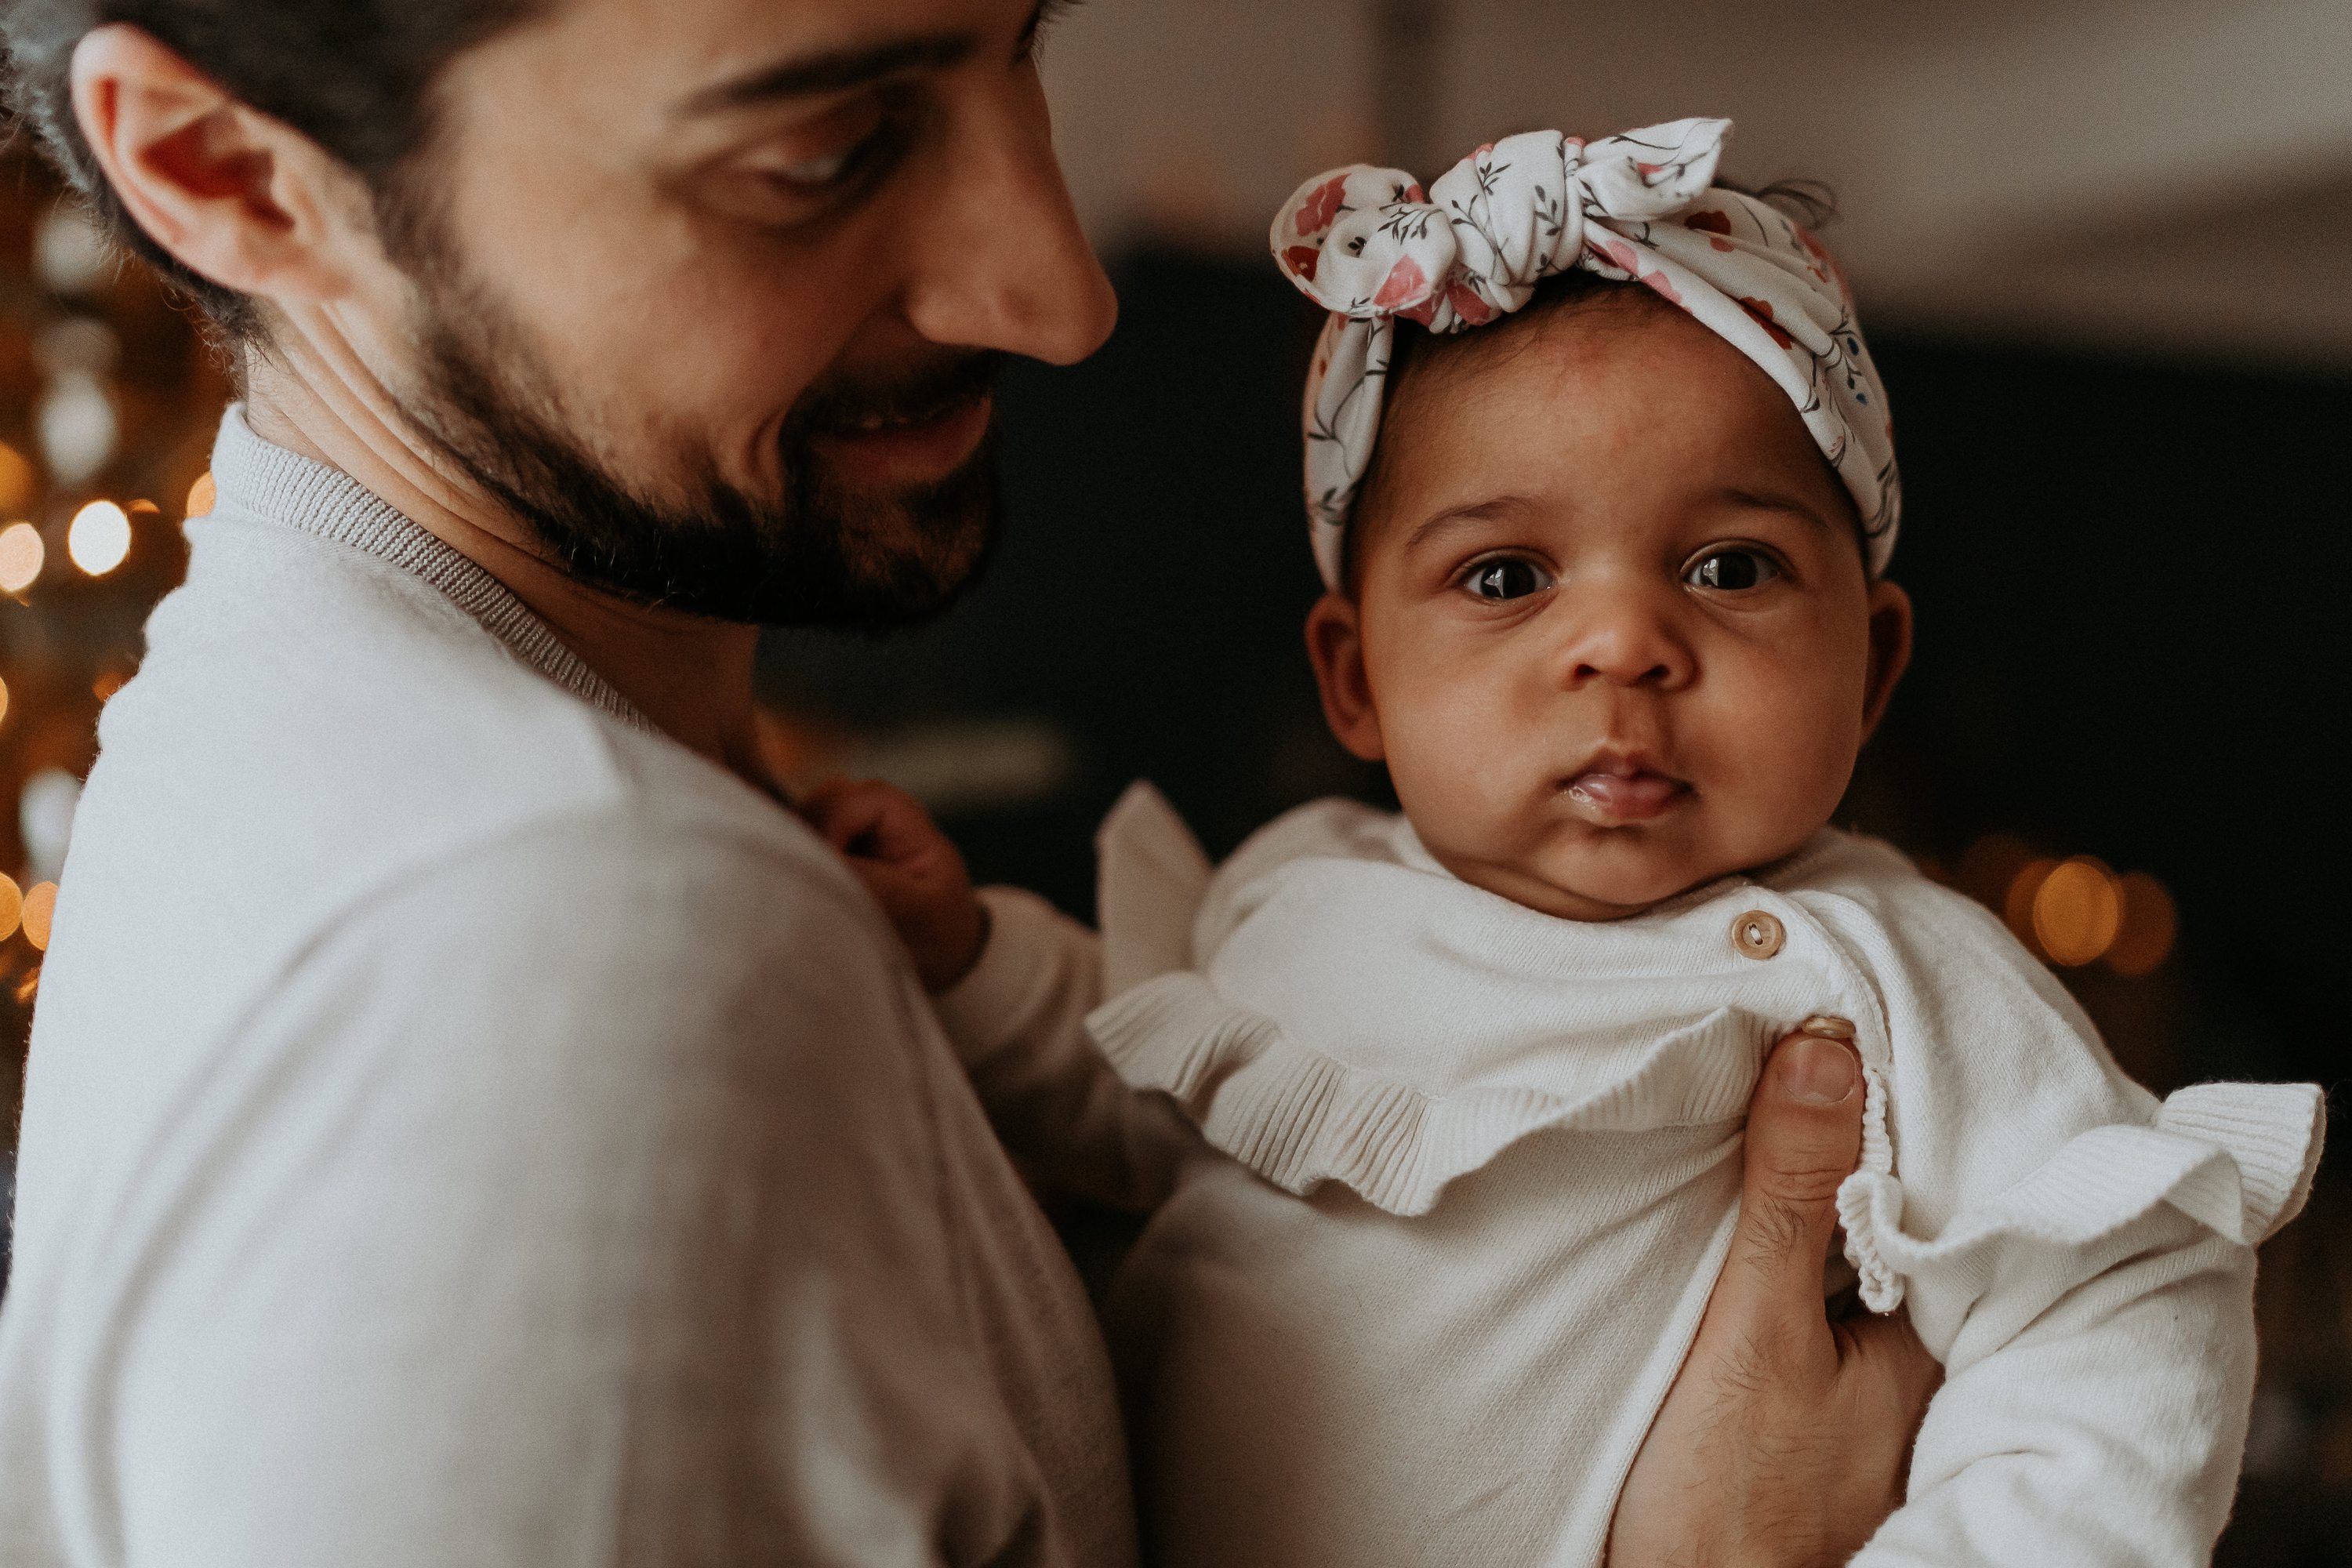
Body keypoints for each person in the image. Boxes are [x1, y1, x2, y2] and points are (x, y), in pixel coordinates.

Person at [0, 7, 1933, 1565]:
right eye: (821, 151)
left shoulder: (282, 761)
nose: (1057, 287)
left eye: (1023, 47)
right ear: (231, 172)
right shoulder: (561, 938)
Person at [822, 120, 2326, 1566]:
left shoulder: (1894, 969)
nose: (1621, 642)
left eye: (1729, 567)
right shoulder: (1301, 894)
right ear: (1356, 678)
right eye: (1504, 575)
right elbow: (1147, 1107)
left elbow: (2128, 1286)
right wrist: (967, 958)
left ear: (1869, 666)